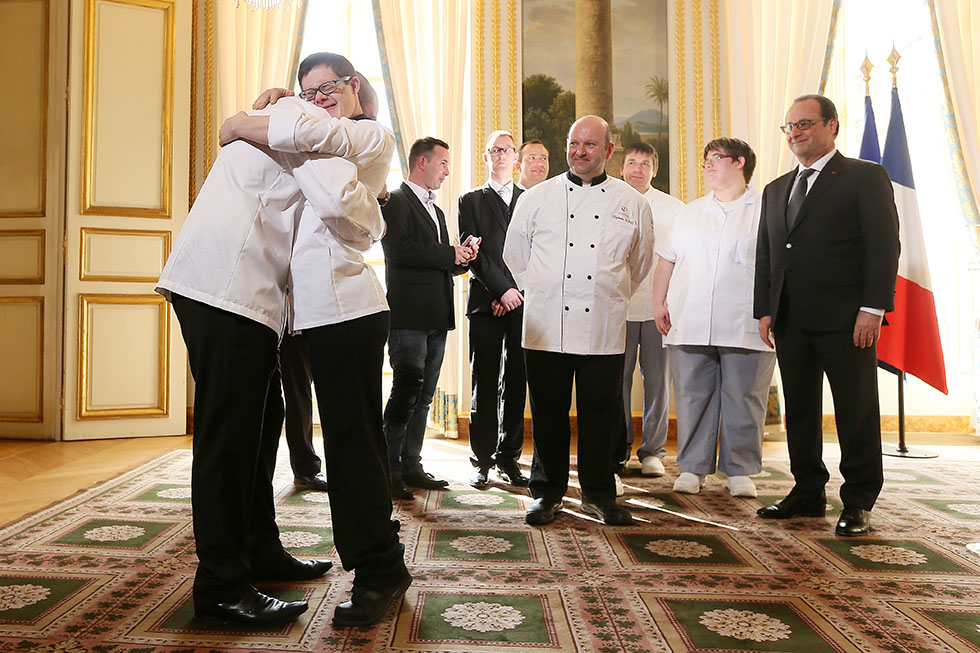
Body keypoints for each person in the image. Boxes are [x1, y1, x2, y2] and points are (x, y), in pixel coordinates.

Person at [190, 51, 410, 627]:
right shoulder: (307, 131)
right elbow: (338, 199)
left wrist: (256, 122)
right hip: (289, 307)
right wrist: (276, 123)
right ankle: (246, 563)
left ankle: (379, 566)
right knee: (267, 435)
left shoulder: (366, 134)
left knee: (346, 444)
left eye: (328, 88)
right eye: (307, 92)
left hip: (345, 310)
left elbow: (340, 201)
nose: (318, 99)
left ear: (354, 86)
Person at [754, 94, 900, 536]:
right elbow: (768, 254)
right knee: (799, 409)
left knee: (855, 410)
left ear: (831, 125)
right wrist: (764, 310)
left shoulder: (864, 176)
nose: (796, 132)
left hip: (847, 320)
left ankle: (858, 500)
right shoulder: (776, 188)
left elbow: (883, 245)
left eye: (805, 123)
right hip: (789, 320)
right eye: (789, 126)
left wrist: (872, 308)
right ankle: (807, 490)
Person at [503, 115, 654, 526]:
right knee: (549, 413)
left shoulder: (633, 203)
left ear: (608, 151)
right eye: (574, 143)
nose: (580, 152)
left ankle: (599, 494)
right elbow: (514, 255)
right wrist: (546, 289)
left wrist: (605, 291)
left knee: (600, 415)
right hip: (546, 323)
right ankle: (548, 492)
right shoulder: (537, 197)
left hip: (602, 326)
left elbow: (639, 265)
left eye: (590, 145)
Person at [651, 138, 776, 498]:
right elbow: (667, 258)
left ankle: (740, 471)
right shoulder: (691, 212)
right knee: (692, 395)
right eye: (705, 158)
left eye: (715, 158)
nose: (706, 164)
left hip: (746, 323)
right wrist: (659, 301)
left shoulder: (765, 210)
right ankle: (693, 467)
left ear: (739, 163)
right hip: (689, 318)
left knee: (745, 397)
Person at [381, 137, 478, 499]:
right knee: (405, 393)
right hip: (407, 315)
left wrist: (460, 259)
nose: (447, 171)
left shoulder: (437, 211)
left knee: (423, 395)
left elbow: (437, 261)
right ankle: (387, 468)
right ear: (421, 162)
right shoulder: (395, 200)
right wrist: (447, 253)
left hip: (438, 314)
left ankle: (412, 464)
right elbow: (398, 250)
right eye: (443, 163)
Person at [458, 130, 528, 489]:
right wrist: (502, 291)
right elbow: (474, 255)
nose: (500, 155)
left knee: (516, 381)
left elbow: (537, 252)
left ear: (516, 158)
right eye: (494, 150)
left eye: (506, 150)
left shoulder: (531, 199)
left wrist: (516, 293)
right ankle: (481, 460)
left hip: (523, 304)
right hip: (486, 302)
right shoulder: (469, 200)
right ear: (485, 158)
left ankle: (509, 457)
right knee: (483, 380)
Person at [617, 141, 684, 480]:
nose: (638, 169)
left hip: (660, 308)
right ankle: (619, 449)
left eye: (645, 164)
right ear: (622, 168)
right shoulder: (608, 201)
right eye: (632, 163)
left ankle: (653, 451)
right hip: (617, 308)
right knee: (618, 381)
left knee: (658, 381)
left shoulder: (674, 209)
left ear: (654, 170)